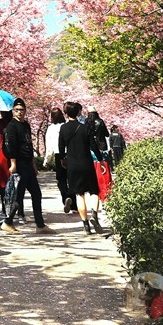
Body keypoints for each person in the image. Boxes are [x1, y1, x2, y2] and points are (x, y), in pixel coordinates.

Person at [1, 98, 53, 234]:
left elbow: (29, 146)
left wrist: (34, 165)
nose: (19, 112)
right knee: (18, 195)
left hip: (28, 164)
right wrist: (13, 164)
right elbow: (11, 146)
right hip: (19, 164)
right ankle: (8, 222)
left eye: (22, 110)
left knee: (36, 193)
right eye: (17, 110)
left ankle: (40, 225)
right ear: (13, 111)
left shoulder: (26, 125)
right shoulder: (11, 127)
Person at [59, 100, 101, 234]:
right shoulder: (84, 127)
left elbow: (61, 148)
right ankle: (94, 214)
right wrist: (100, 159)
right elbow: (93, 145)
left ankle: (86, 225)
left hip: (73, 165)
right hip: (86, 163)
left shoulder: (63, 129)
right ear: (78, 112)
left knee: (79, 194)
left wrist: (62, 159)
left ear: (65, 113)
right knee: (94, 192)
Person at [44, 106, 71, 210]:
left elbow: (49, 145)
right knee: (70, 179)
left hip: (58, 155)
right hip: (69, 154)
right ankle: (73, 205)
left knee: (61, 179)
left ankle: (65, 198)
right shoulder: (66, 126)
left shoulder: (51, 128)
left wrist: (47, 160)